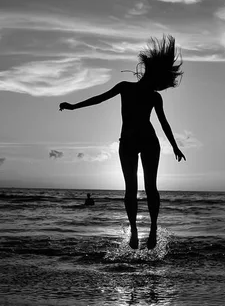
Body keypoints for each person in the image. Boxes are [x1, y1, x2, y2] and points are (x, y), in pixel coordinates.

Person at [59, 35, 186, 250]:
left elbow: (164, 124)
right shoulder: (125, 87)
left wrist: (174, 145)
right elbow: (98, 98)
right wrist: (73, 106)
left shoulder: (154, 97)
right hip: (128, 142)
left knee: (150, 187)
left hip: (147, 141)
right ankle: (135, 230)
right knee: (131, 189)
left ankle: (153, 229)